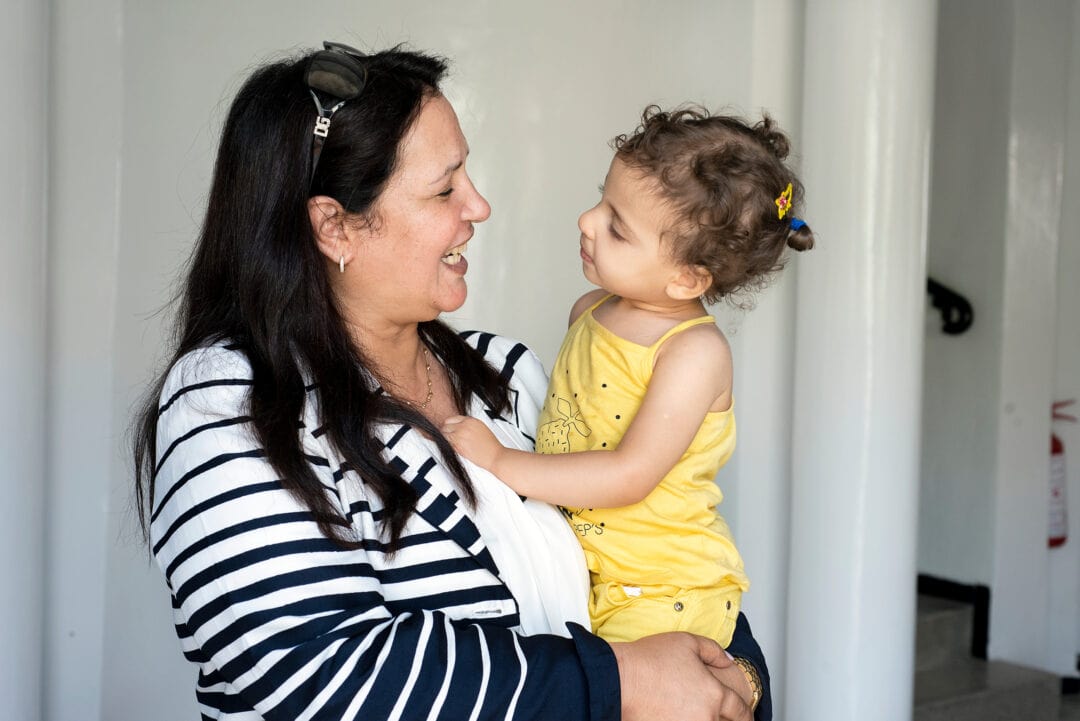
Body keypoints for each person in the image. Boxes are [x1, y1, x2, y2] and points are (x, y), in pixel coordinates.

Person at [133, 41, 771, 721]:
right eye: (445, 188)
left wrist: (737, 682)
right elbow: (316, 674)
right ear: (335, 226)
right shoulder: (233, 403)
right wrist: (619, 682)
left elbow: (664, 562)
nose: (479, 206)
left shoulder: (506, 376)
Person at [442, 106, 813, 662]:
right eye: (601, 200)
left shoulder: (694, 353)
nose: (587, 221)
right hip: (592, 578)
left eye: (617, 227)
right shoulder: (589, 312)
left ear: (687, 277)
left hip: (664, 593)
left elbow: (629, 474)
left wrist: (498, 462)